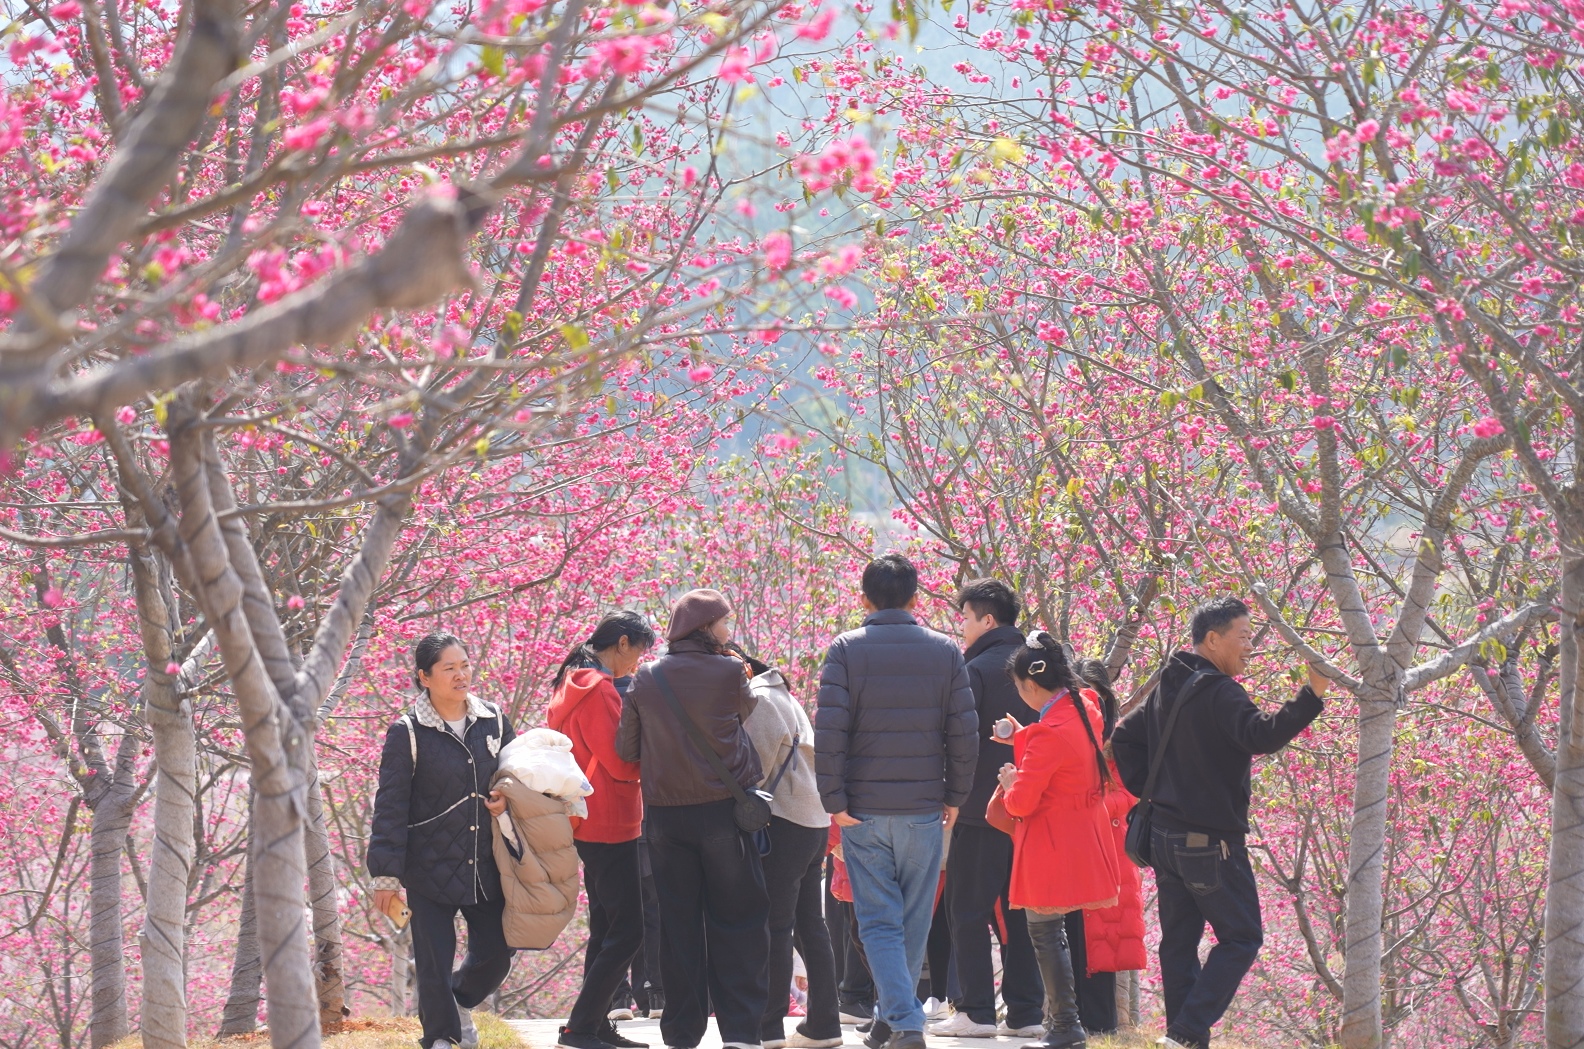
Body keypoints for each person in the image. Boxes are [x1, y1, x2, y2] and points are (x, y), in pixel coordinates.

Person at [1111, 597, 1327, 1049]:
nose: (1251, 646)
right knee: (1243, 936)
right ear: (1213, 639)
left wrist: (1158, 791)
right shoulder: (1221, 691)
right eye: (1244, 636)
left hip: (1164, 837)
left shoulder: (1170, 682)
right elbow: (1261, 735)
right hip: (1209, 843)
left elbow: (1124, 739)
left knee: (1178, 942)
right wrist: (1312, 695)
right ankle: (1188, 1033)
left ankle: (1180, 1037)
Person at [814, 553, 978, 1049]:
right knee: (912, 920)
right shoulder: (946, 651)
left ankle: (898, 1020)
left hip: (862, 809)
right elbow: (964, 732)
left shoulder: (845, 650)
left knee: (879, 920)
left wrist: (833, 799)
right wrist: (956, 796)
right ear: (915, 598)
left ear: (864, 599)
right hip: (926, 808)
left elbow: (830, 732)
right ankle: (900, 1019)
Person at [617, 589, 769, 1049]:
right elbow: (746, 709)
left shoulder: (646, 677)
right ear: (706, 629)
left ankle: (682, 1033)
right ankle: (741, 1033)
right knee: (738, 920)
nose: (729, 631)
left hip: (664, 819)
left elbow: (626, 750)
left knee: (678, 926)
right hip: (723, 812)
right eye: (724, 623)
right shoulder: (728, 670)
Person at [369, 632, 517, 1049]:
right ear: (424, 677)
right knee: (434, 959)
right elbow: (391, 805)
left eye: (465, 665)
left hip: (484, 862)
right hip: (426, 866)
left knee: (497, 953)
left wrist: (508, 795)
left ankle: (458, 1000)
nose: (461, 675)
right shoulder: (408, 731)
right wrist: (384, 874)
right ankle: (441, 1036)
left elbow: (517, 770)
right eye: (449, 668)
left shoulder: (492, 718)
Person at [996, 631, 1122, 1049]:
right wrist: (1020, 736)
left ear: (1030, 685)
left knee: (1044, 930)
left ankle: (1066, 1023)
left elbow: (1021, 803)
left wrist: (1011, 781)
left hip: (1051, 842)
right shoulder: (1085, 708)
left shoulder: (1049, 732)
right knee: (1055, 929)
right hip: (1082, 833)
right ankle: (1063, 1021)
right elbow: (1060, 750)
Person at [933, 579, 1043, 1039]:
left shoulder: (975, 670)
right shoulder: (1043, 666)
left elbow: (955, 740)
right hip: (1032, 810)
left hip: (981, 807)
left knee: (968, 909)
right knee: (1020, 910)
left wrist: (950, 797)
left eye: (966, 618)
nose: (963, 628)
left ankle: (976, 1010)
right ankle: (1025, 1013)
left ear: (988, 620)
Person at [547, 612, 658, 1049]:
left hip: (586, 814)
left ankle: (592, 1026)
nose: (637, 664)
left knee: (607, 926)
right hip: (609, 816)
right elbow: (619, 759)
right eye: (639, 654)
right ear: (623, 643)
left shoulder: (573, 681)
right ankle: (579, 1029)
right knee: (629, 928)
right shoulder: (599, 690)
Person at [738, 648, 843, 1049]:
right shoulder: (785, 697)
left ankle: (768, 1028)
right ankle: (824, 1024)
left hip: (785, 823)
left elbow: (754, 768)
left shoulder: (761, 699)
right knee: (809, 926)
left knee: (777, 927)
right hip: (812, 821)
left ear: (745, 668)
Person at [1064, 659, 1145, 1036]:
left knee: (1100, 951)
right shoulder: (1065, 739)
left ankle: (1099, 1028)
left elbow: (1124, 803)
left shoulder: (1121, 747)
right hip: (1075, 860)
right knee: (1072, 948)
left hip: (1107, 863)